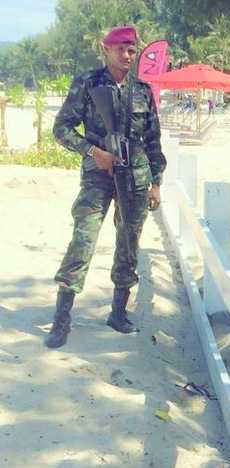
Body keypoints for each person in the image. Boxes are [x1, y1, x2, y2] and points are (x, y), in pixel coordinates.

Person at [45, 25, 167, 348]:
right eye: (121, 49)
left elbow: (154, 141)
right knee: (83, 239)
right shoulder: (87, 83)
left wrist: (156, 182)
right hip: (98, 174)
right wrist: (92, 151)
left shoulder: (142, 91)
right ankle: (61, 318)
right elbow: (62, 129)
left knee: (129, 242)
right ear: (106, 49)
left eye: (132, 50)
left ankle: (118, 311)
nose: (127, 55)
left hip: (136, 175)